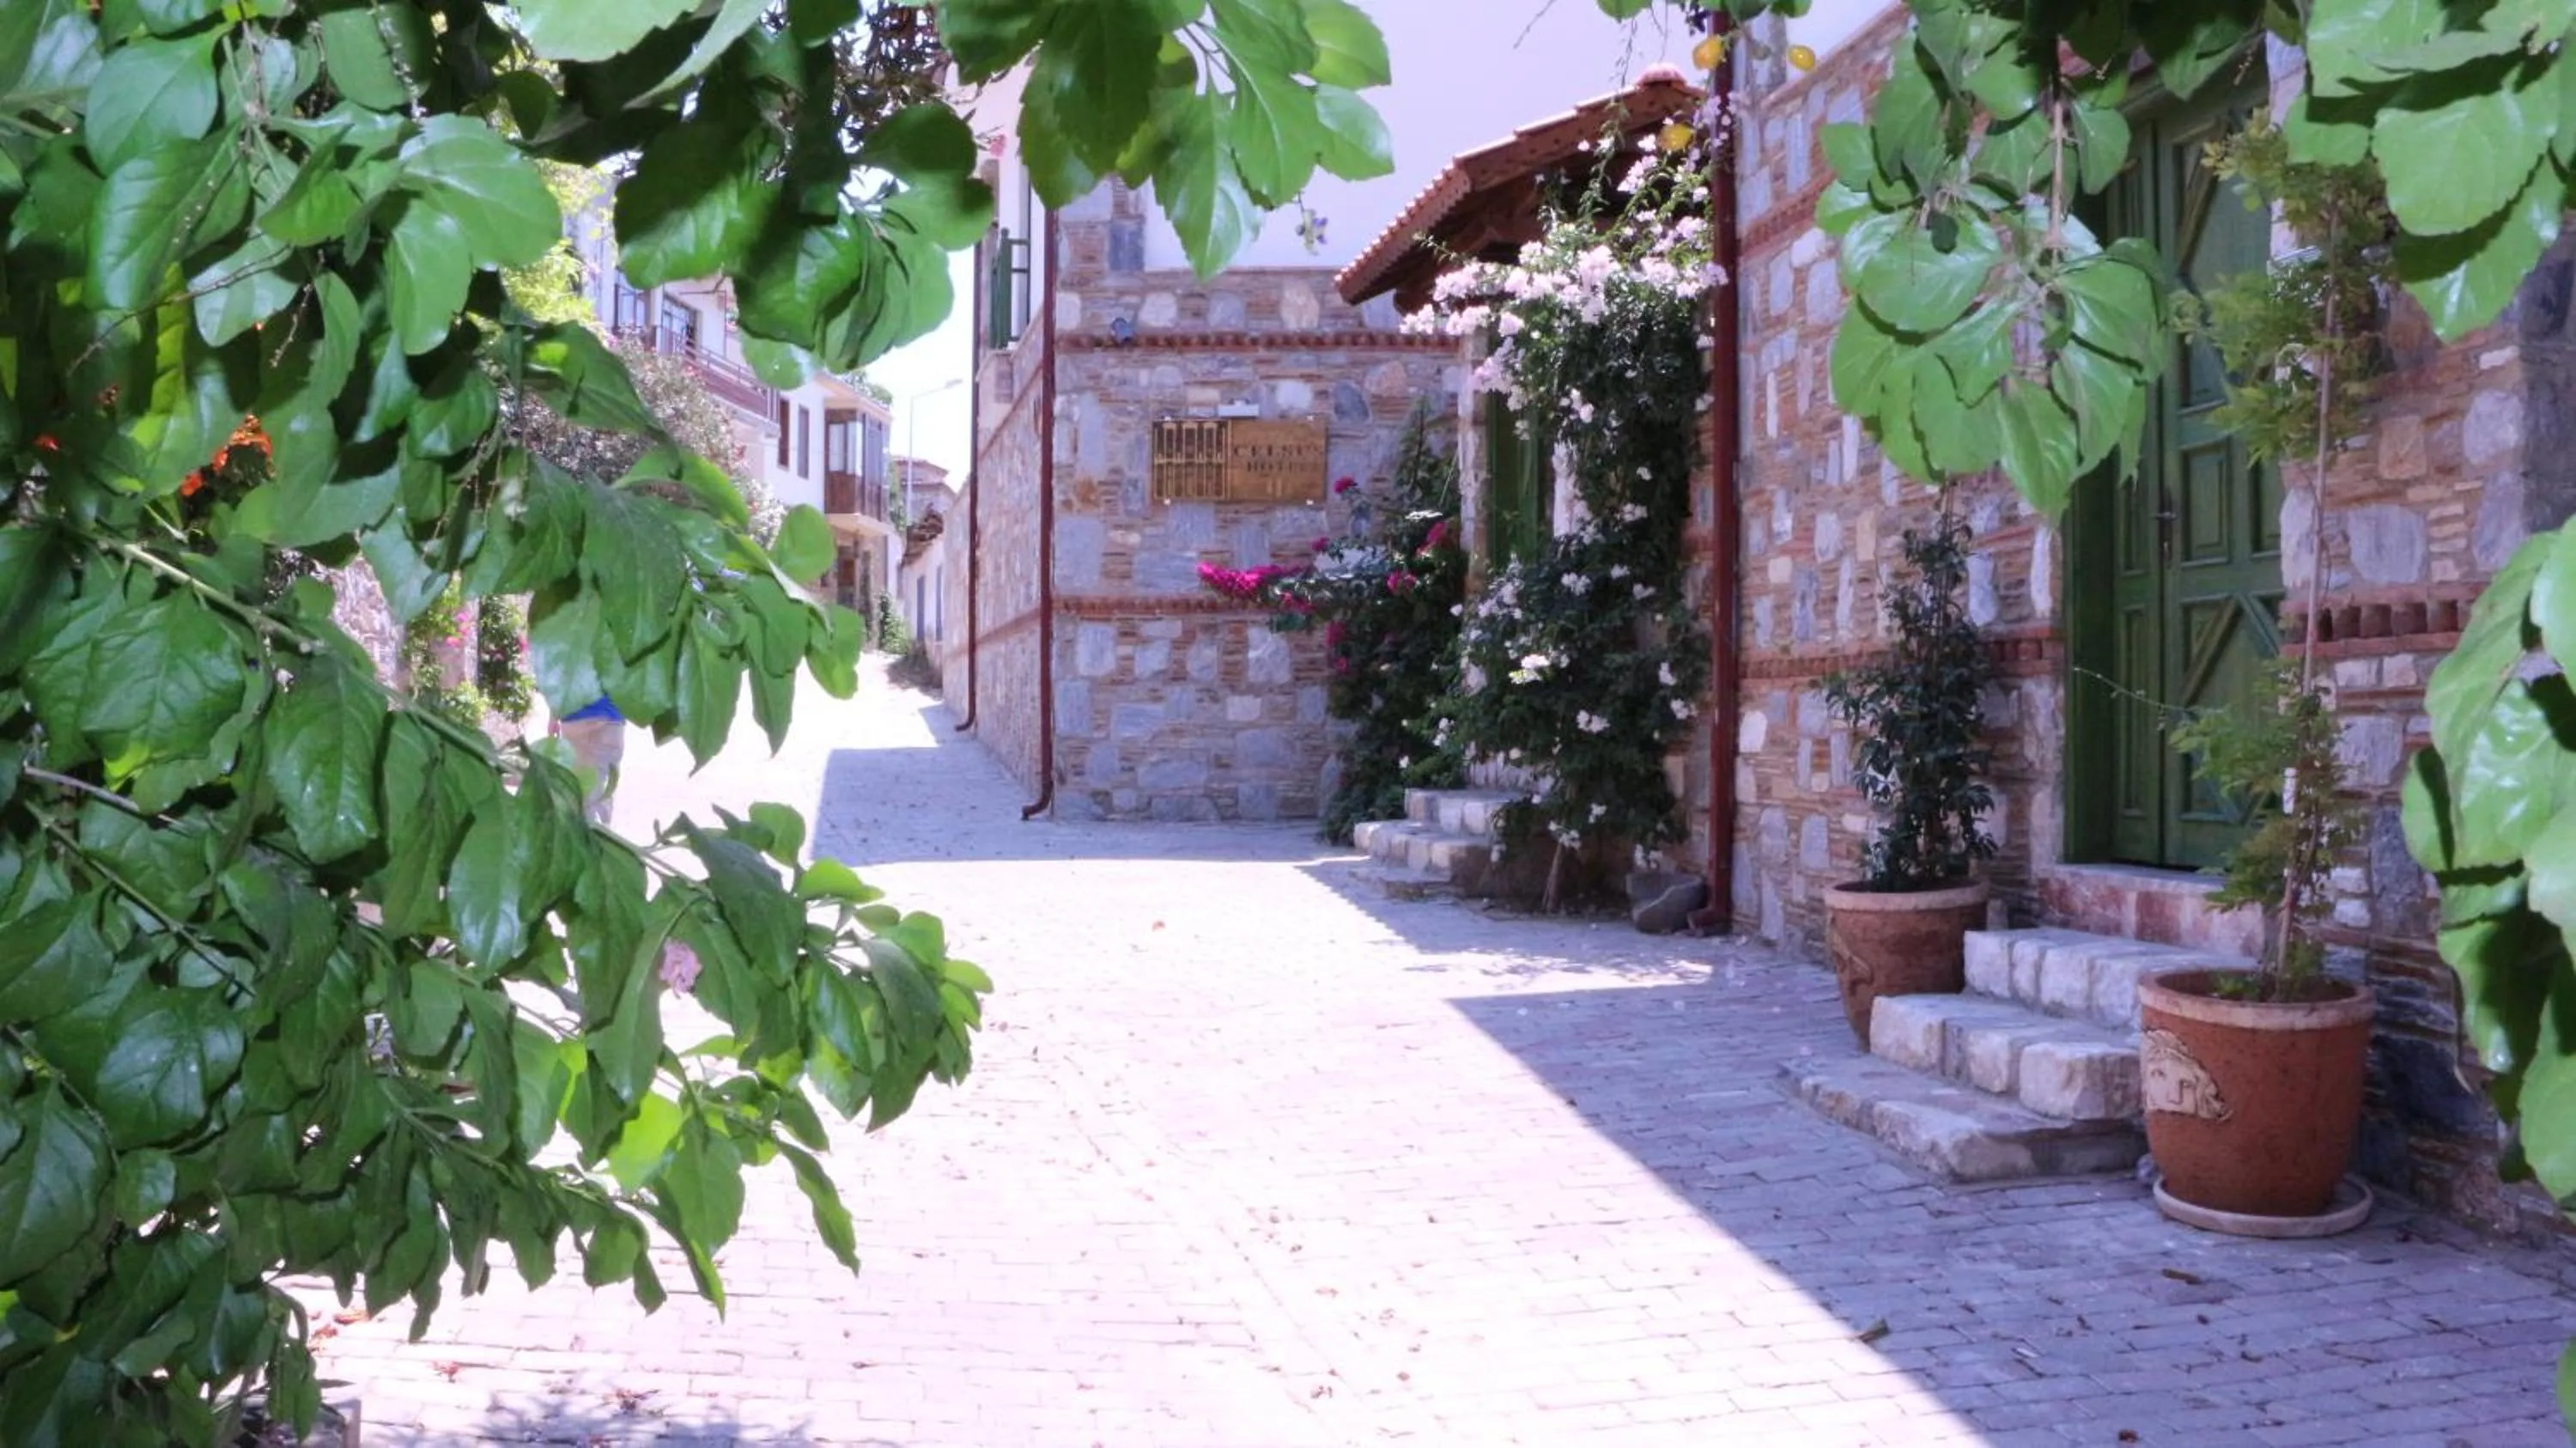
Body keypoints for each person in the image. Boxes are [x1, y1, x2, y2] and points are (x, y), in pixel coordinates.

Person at [555, 697, 626, 825]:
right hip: (612, 719)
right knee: (601, 791)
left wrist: (553, 715)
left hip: (575, 718)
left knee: (581, 792)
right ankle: (600, 832)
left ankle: (589, 831)